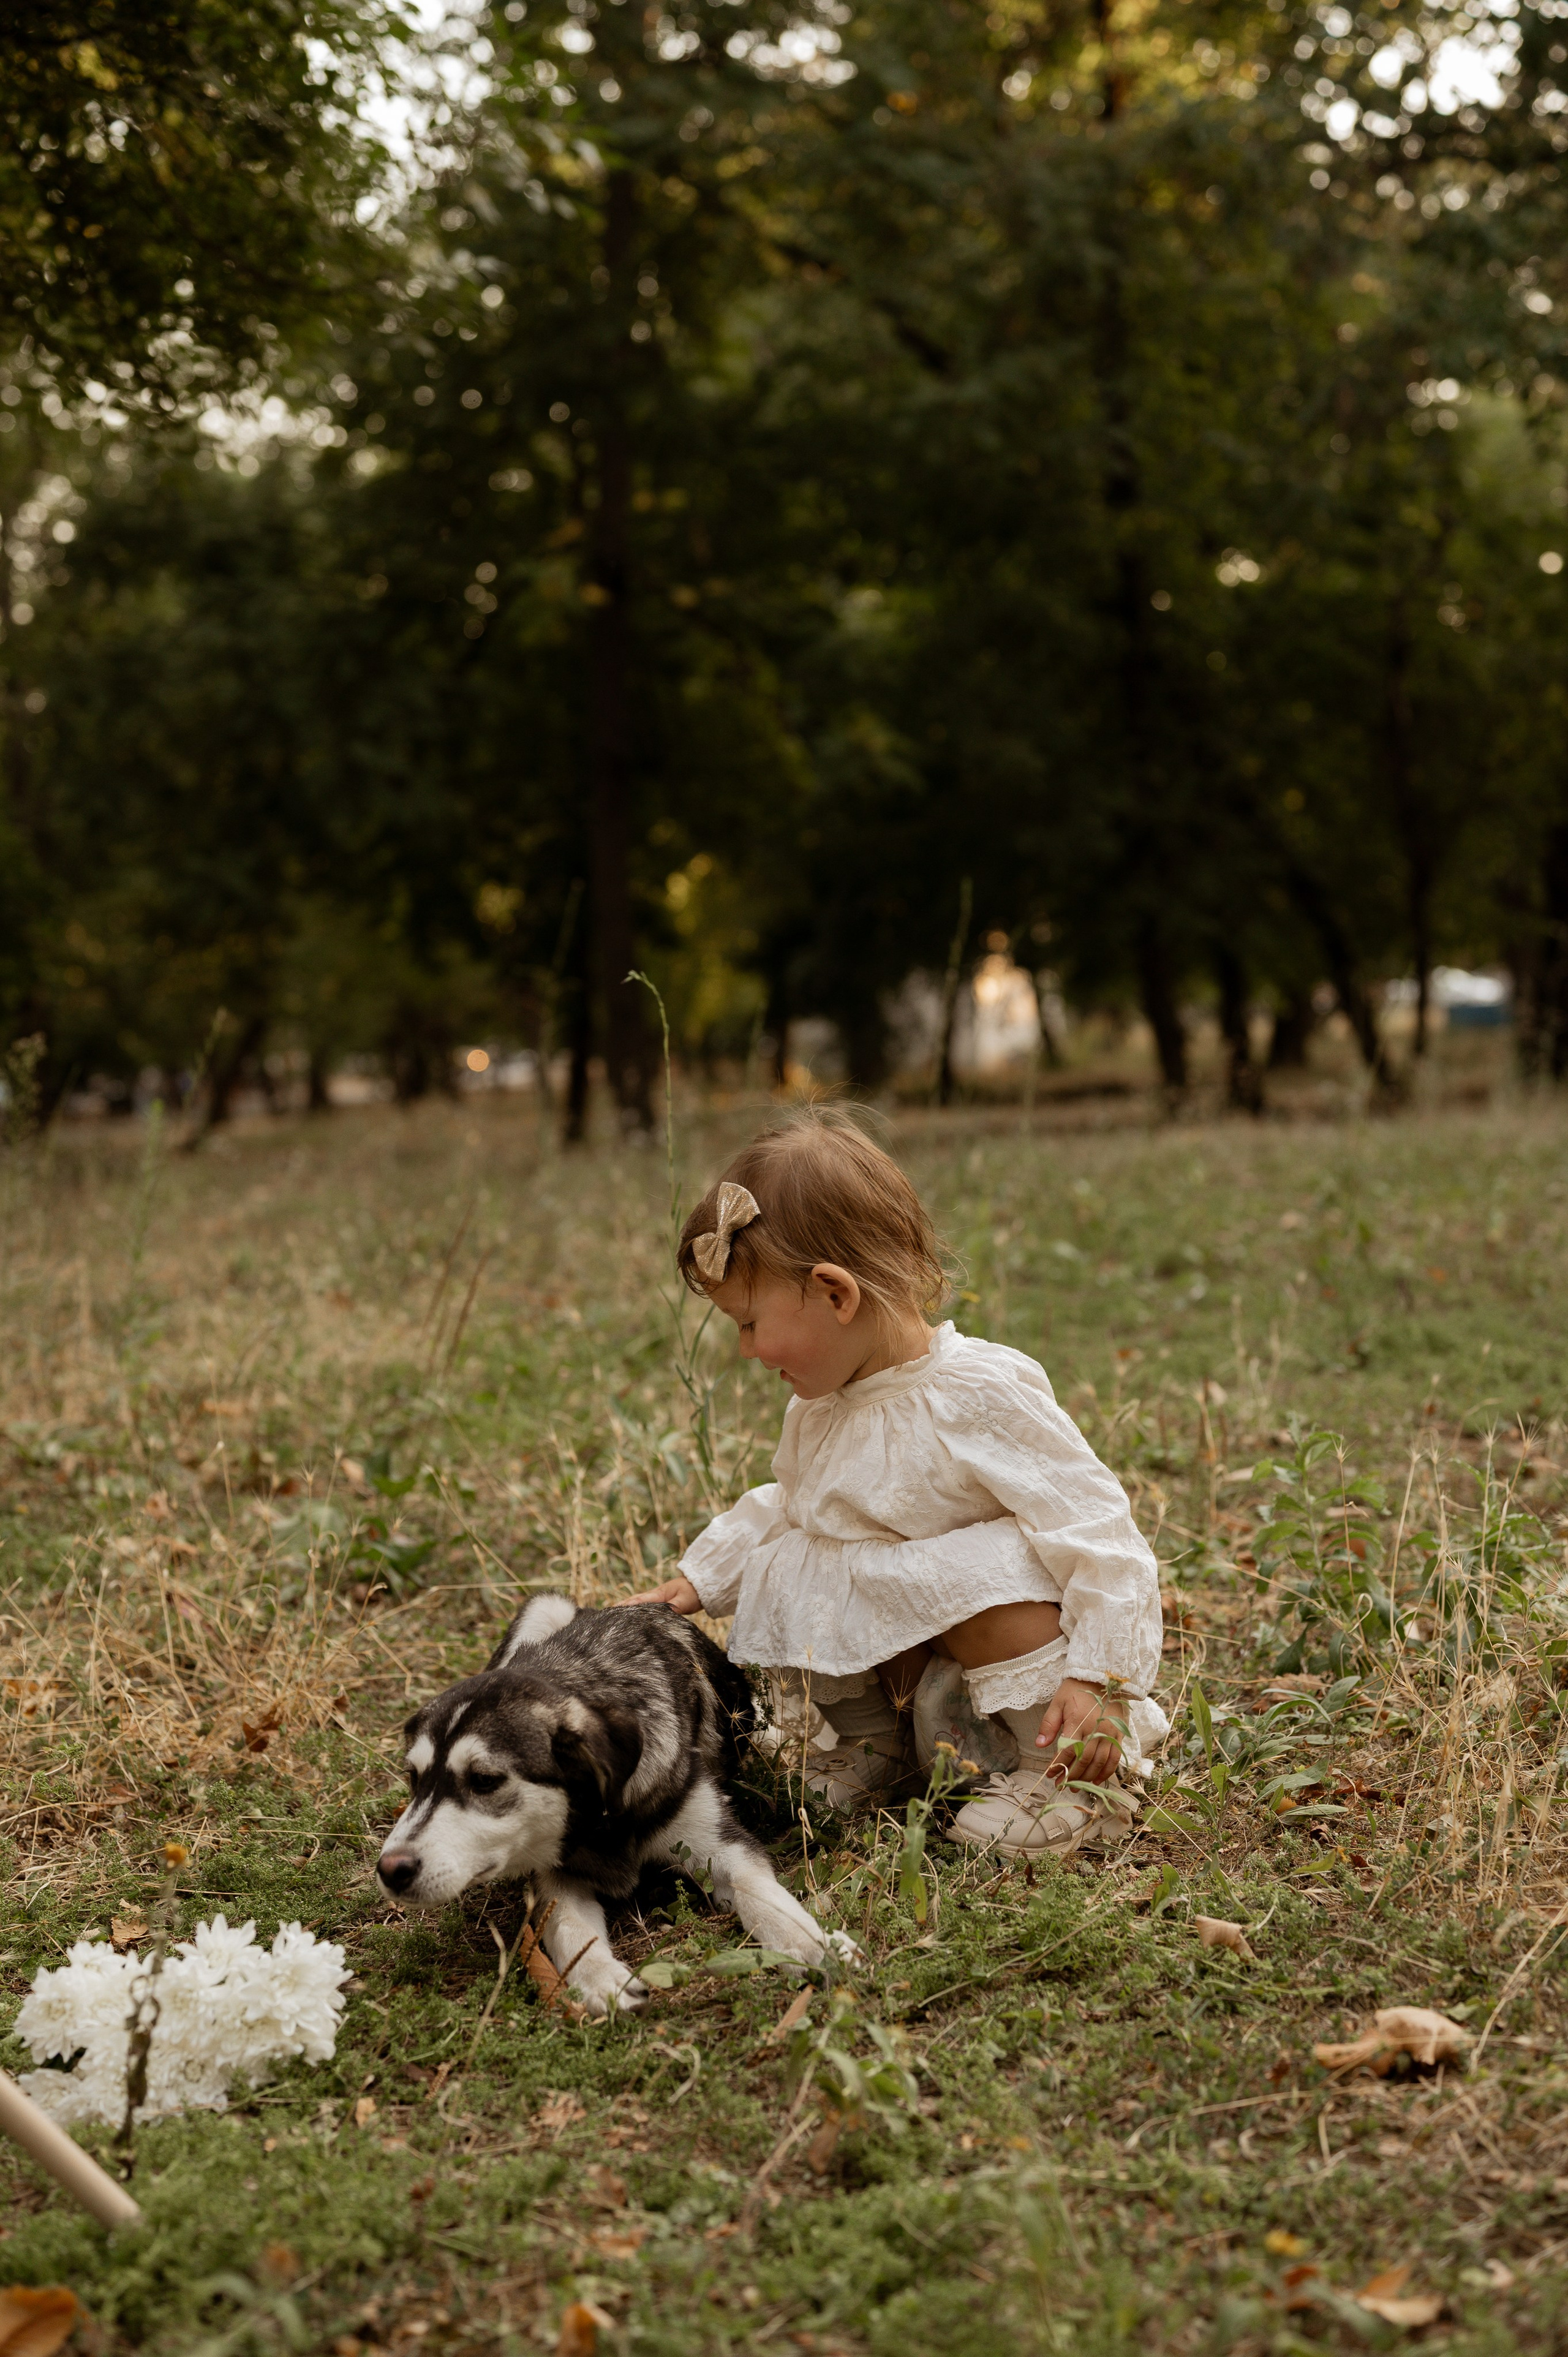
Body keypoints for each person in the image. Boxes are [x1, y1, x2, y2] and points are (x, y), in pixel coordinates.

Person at [620, 1110, 1167, 1858]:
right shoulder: (822, 1406)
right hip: (926, 1678)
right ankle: (879, 1753)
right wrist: (704, 1576)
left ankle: (1067, 1777)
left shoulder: (978, 1391)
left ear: (834, 1293)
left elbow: (1093, 1522)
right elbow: (792, 1504)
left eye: (748, 1323)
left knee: (980, 1570)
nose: (746, 1350)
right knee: (799, 1555)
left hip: (1021, 1674)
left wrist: (1101, 1677)